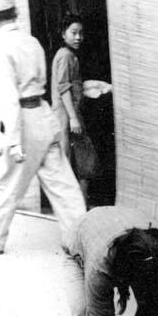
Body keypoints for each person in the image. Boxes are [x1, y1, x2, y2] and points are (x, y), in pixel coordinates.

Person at [0, 0, 86, 255]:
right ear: (15, 14)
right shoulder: (33, 43)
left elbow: (8, 97)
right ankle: (81, 238)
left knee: (6, 182)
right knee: (63, 185)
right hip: (43, 115)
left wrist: (13, 140)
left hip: (23, 122)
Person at [51, 14, 88, 197]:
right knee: (65, 159)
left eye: (81, 33)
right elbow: (63, 88)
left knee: (78, 158)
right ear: (63, 34)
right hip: (65, 115)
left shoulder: (71, 56)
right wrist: (73, 117)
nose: (78, 37)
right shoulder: (65, 56)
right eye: (73, 33)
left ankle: (79, 204)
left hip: (70, 113)